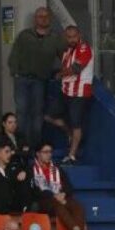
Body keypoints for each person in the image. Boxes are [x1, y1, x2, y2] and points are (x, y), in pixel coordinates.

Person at [8, 7, 65, 147]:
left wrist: (63, 72)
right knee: (21, 111)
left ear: (50, 19)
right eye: (40, 16)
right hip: (22, 78)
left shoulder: (56, 38)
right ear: (35, 19)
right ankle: (20, 144)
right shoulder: (24, 35)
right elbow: (14, 54)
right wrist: (14, 71)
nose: (43, 18)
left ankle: (35, 145)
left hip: (40, 80)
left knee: (37, 112)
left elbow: (66, 57)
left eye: (46, 16)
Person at [45, 26, 93, 164]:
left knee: (76, 124)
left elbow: (75, 69)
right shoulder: (68, 51)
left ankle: (72, 155)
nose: (71, 39)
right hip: (65, 91)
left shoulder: (84, 48)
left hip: (79, 92)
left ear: (79, 35)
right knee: (48, 116)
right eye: (69, 37)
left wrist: (59, 74)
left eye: (74, 36)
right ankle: (69, 133)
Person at [31, 142, 88, 230]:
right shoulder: (32, 170)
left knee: (77, 206)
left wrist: (63, 194)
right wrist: (53, 196)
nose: (49, 155)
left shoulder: (57, 169)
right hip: (45, 201)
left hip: (62, 197)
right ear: (38, 154)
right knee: (59, 206)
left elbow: (69, 186)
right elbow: (34, 191)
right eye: (45, 152)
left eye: (50, 152)